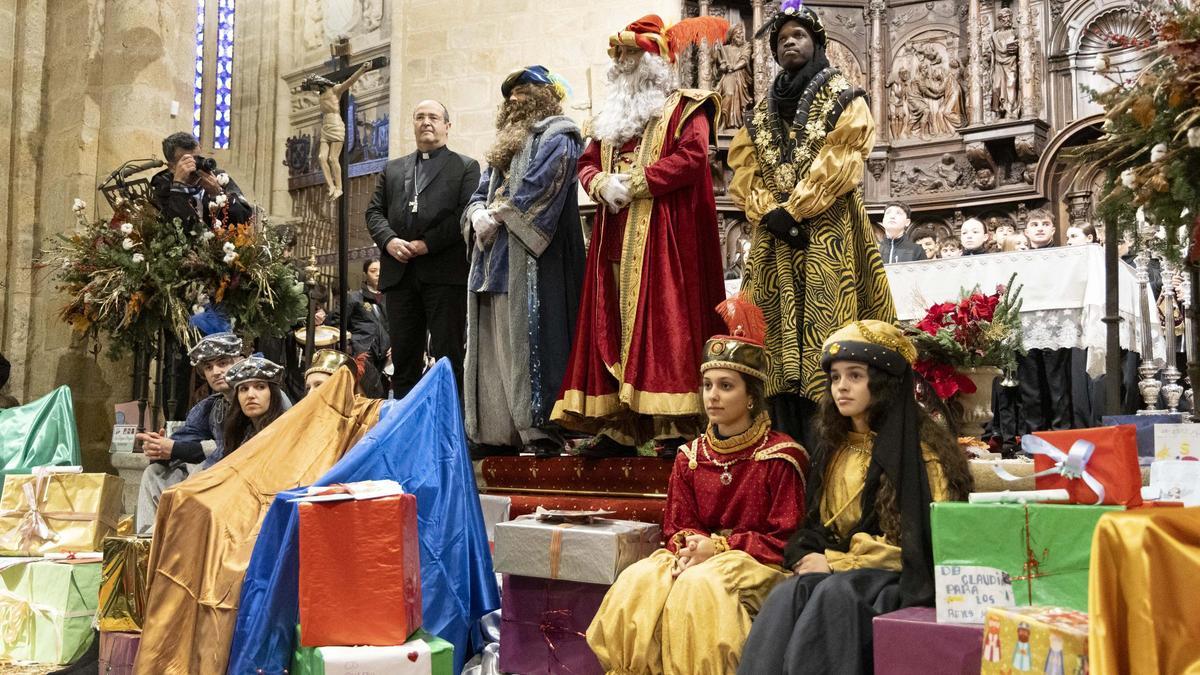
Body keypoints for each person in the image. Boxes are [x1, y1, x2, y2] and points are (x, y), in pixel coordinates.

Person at [587, 295, 810, 673]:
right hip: (700, 555)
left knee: (700, 587)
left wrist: (719, 547)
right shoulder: (691, 456)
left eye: (726, 386)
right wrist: (691, 548)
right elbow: (676, 525)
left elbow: (786, 539)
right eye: (708, 385)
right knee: (640, 580)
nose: (713, 396)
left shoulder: (781, 457)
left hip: (757, 563)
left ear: (752, 397)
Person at [738, 320, 972, 675]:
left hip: (898, 579)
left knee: (836, 594)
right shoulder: (835, 450)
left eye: (855, 376)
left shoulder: (922, 456)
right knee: (790, 592)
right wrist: (816, 554)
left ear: (882, 383)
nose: (841, 388)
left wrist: (836, 563)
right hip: (843, 572)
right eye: (835, 378)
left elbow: (922, 546)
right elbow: (820, 525)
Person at [551, 14, 730, 456]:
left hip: (665, 241)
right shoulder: (609, 118)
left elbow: (692, 159)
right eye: (619, 55)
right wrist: (597, 183)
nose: (621, 62)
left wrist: (631, 184)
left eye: (630, 54)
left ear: (654, 62)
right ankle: (619, 426)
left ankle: (673, 425)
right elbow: (586, 162)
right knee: (613, 326)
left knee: (666, 327)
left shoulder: (688, 106)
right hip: (615, 237)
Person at [727, 0, 897, 453]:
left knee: (830, 336)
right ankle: (780, 448)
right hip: (773, 244)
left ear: (818, 43)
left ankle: (837, 450)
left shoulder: (846, 97)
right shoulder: (759, 112)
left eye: (798, 36)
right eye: (781, 40)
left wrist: (796, 210)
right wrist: (769, 211)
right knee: (773, 341)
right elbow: (743, 170)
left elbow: (842, 158)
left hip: (828, 231)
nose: (789, 44)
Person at [463, 66, 585, 459]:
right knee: (494, 347)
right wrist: (476, 212)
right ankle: (498, 432)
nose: (515, 98)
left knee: (528, 345)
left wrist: (497, 216)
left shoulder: (560, 135)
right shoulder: (505, 143)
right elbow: (482, 188)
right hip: (492, 261)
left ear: (545, 94)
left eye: (524, 90)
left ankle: (539, 430)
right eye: (511, 93)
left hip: (533, 262)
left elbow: (540, 187)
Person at [365, 100, 481, 400]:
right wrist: (389, 240)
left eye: (433, 117)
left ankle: (450, 431)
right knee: (403, 359)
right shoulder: (393, 169)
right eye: (419, 117)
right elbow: (374, 212)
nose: (426, 122)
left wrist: (426, 243)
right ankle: (407, 431)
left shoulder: (465, 167)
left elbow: (463, 213)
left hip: (443, 273)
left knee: (447, 357)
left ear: (447, 125)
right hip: (400, 275)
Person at [134, 332, 243, 534]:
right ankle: (148, 539)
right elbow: (183, 441)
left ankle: (174, 540)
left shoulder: (259, 396)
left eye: (223, 363)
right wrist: (160, 447)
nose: (216, 372)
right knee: (155, 473)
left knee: (201, 466)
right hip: (219, 475)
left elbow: (233, 449)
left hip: (246, 476)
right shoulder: (210, 407)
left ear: (240, 361)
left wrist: (182, 449)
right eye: (209, 367)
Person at [301, 62, 372, 201]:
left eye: (315, 85)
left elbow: (350, 81)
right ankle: (331, 186)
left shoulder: (335, 90)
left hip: (335, 124)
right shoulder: (320, 94)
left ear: (320, 83)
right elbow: (306, 87)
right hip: (325, 126)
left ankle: (339, 188)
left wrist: (363, 69)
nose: (314, 88)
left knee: (333, 159)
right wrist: (305, 83)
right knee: (322, 158)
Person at [150, 131, 252, 228]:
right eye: (187, 161)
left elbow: (245, 219)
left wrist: (218, 195)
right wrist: (179, 188)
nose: (195, 165)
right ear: (172, 167)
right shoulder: (162, 185)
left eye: (198, 158)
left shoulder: (218, 177)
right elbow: (173, 232)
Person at [217, 356, 289, 460]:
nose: (250, 395)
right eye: (244, 389)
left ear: (273, 394)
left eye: (260, 387)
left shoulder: (286, 431)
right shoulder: (238, 433)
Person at [341, 258, 391, 397]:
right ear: (365, 274)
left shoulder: (390, 297)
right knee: (364, 393)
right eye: (373, 271)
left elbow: (397, 325)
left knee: (384, 396)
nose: (378, 274)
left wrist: (395, 345)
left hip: (387, 356)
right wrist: (351, 344)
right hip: (363, 353)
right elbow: (337, 322)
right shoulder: (354, 297)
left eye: (381, 270)